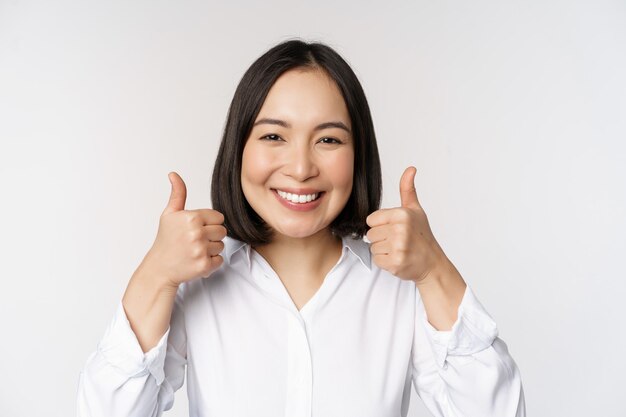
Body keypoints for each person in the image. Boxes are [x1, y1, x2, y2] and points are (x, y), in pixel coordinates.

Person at [76, 39, 525, 417]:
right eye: (273, 136)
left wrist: (434, 271)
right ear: (239, 148)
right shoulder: (195, 286)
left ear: (358, 154)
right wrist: (155, 274)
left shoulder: (400, 290)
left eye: (328, 139)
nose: (300, 167)